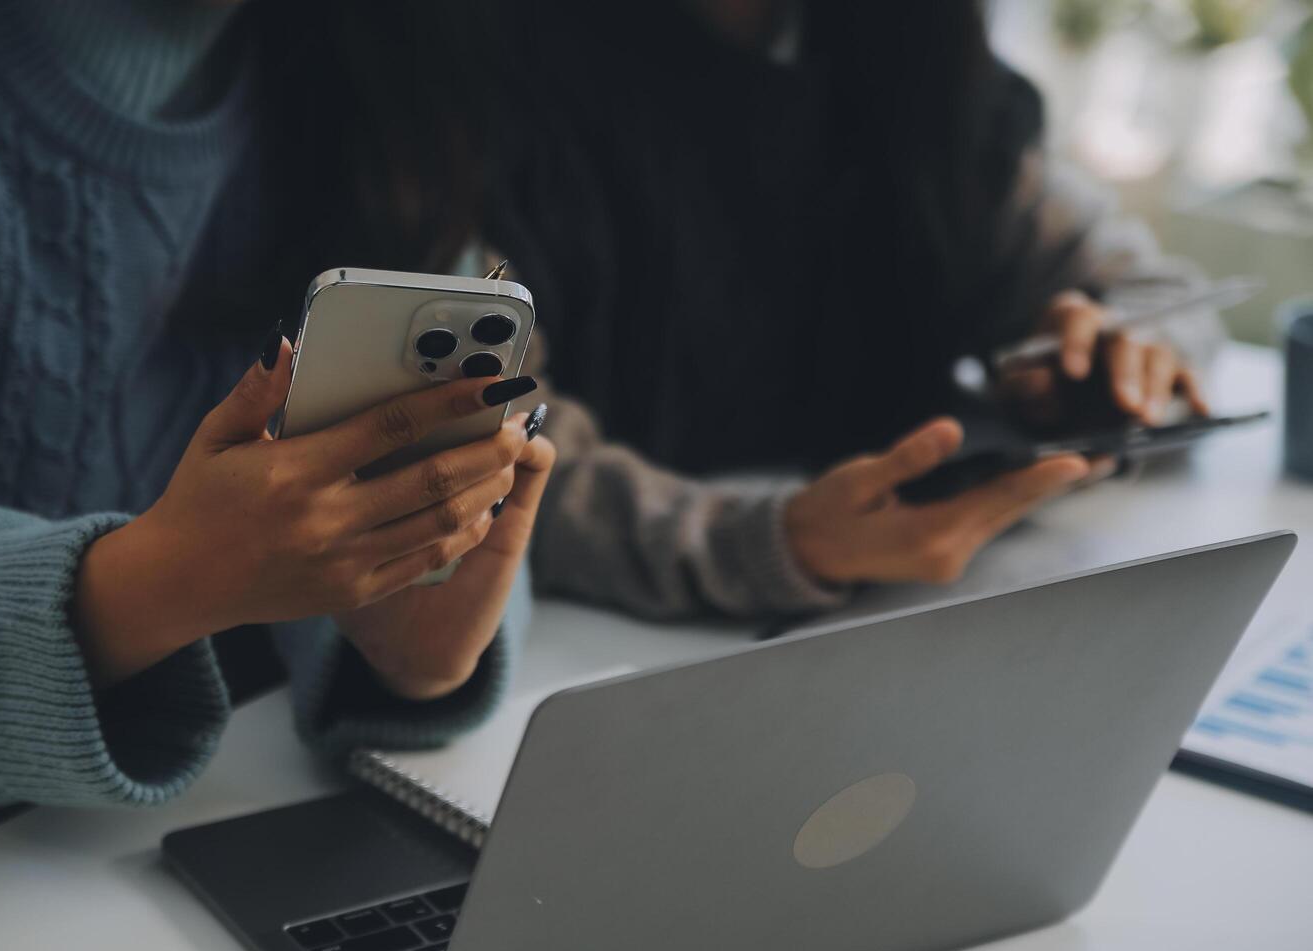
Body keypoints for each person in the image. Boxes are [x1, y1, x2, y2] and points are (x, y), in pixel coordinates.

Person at [0, 0, 553, 893]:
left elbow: (456, 416)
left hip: (224, 837)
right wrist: (169, 579)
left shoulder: (378, 75)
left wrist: (417, 649)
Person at [482, 0, 1222, 618]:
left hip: (901, 615)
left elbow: (1155, 293)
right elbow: (469, 443)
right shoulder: (480, 80)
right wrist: (763, 545)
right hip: (577, 637)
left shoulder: (920, 67)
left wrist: (1127, 353)